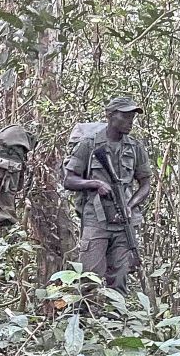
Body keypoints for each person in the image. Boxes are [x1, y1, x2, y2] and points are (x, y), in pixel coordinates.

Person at [63, 97, 153, 295]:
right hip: (96, 219)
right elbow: (69, 180)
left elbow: (145, 183)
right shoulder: (89, 145)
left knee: (120, 276)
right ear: (111, 116)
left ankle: (117, 320)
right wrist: (94, 183)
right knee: (89, 276)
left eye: (133, 117)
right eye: (126, 116)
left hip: (124, 222)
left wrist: (130, 205)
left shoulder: (135, 147)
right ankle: (86, 319)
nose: (131, 121)